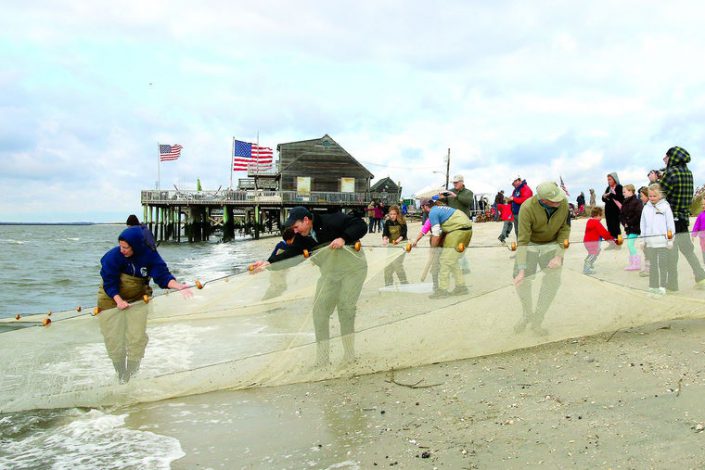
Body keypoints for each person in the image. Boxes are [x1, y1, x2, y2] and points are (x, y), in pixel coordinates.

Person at [251, 207, 368, 366]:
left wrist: (343, 237)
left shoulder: (331, 219)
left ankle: (349, 356)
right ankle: (322, 360)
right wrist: (269, 263)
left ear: (306, 220)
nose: (295, 231)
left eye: (296, 226)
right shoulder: (302, 237)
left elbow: (361, 225)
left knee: (345, 308)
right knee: (319, 312)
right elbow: (292, 253)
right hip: (331, 274)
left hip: (353, 270)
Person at [98, 226, 192, 383]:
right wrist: (119, 301)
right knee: (114, 339)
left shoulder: (149, 255)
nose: (122, 250)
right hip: (110, 298)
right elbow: (109, 282)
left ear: (136, 246)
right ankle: (122, 376)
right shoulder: (113, 256)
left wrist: (178, 286)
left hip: (137, 297)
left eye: (126, 247)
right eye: (121, 246)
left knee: (137, 337)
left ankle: (132, 376)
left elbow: (162, 276)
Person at [513, 181, 570, 336]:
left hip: (552, 244)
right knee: (521, 280)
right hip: (530, 244)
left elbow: (565, 229)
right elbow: (523, 240)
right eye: (554, 201)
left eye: (560, 199)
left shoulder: (563, 203)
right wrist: (521, 270)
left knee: (553, 280)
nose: (559, 202)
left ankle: (538, 319)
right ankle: (527, 314)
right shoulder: (527, 207)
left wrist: (559, 256)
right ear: (543, 200)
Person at [657, 146, 705, 291]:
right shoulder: (688, 173)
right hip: (683, 218)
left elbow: (660, 195)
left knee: (671, 253)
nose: (665, 159)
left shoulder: (670, 172)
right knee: (688, 250)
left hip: (670, 220)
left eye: (666, 156)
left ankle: (672, 285)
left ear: (673, 157)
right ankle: (701, 277)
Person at [427, 201, 473, 298]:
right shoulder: (442, 208)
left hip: (457, 231)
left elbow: (435, 234)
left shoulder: (432, 212)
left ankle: (442, 290)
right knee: (453, 260)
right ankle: (461, 287)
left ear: (424, 207)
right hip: (467, 229)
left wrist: (433, 249)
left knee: (445, 260)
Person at [640, 183, 675, 296]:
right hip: (650, 243)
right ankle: (653, 286)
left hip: (663, 243)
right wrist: (643, 240)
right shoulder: (646, 208)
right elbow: (643, 225)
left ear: (660, 195)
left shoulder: (665, 207)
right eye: (650, 196)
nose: (652, 198)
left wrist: (670, 240)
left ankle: (662, 286)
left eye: (654, 196)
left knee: (663, 265)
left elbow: (670, 225)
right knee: (653, 265)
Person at [382, 205, 409, 286]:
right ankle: (388, 284)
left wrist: (397, 241)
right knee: (388, 266)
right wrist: (385, 239)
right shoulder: (387, 222)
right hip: (391, 246)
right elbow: (385, 233)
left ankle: (404, 283)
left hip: (402, 245)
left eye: (394, 214)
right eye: (391, 214)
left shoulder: (402, 222)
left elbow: (403, 234)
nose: (392, 216)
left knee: (397, 264)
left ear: (397, 214)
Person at [583, 206, 614, 275]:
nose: (601, 218)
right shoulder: (596, 223)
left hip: (588, 242)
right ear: (597, 215)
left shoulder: (590, 221)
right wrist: (611, 240)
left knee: (595, 252)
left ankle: (589, 263)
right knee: (593, 253)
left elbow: (601, 233)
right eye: (601, 216)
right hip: (592, 242)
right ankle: (586, 269)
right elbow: (604, 233)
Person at [619, 184, 644, 271]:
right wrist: (624, 223)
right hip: (628, 228)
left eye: (624, 192)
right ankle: (633, 263)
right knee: (630, 244)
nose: (623, 194)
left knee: (630, 244)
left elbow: (639, 215)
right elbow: (621, 215)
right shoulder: (625, 201)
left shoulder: (637, 202)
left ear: (630, 191)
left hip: (635, 227)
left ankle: (636, 264)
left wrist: (628, 223)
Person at [601, 172, 624, 239]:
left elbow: (621, 198)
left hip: (616, 211)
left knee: (616, 226)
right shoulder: (608, 188)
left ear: (614, 179)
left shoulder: (619, 187)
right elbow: (603, 199)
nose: (608, 181)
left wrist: (611, 195)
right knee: (609, 226)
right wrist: (604, 197)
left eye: (610, 179)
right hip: (608, 210)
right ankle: (612, 242)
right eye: (608, 179)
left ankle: (619, 241)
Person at [638, 186, 651, 277]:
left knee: (648, 252)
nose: (641, 198)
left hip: (649, 235)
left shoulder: (648, 207)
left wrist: (644, 238)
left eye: (642, 196)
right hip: (647, 235)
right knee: (647, 252)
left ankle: (648, 270)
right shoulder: (646, 206)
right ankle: (648, 269)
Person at [692, 198, 705, 265]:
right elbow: (696, 225)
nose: (703, 206)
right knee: (704, 251)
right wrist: (693, 235)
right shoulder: (700, 215)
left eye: (704, 204)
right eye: (702, 204)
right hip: (703, 238)